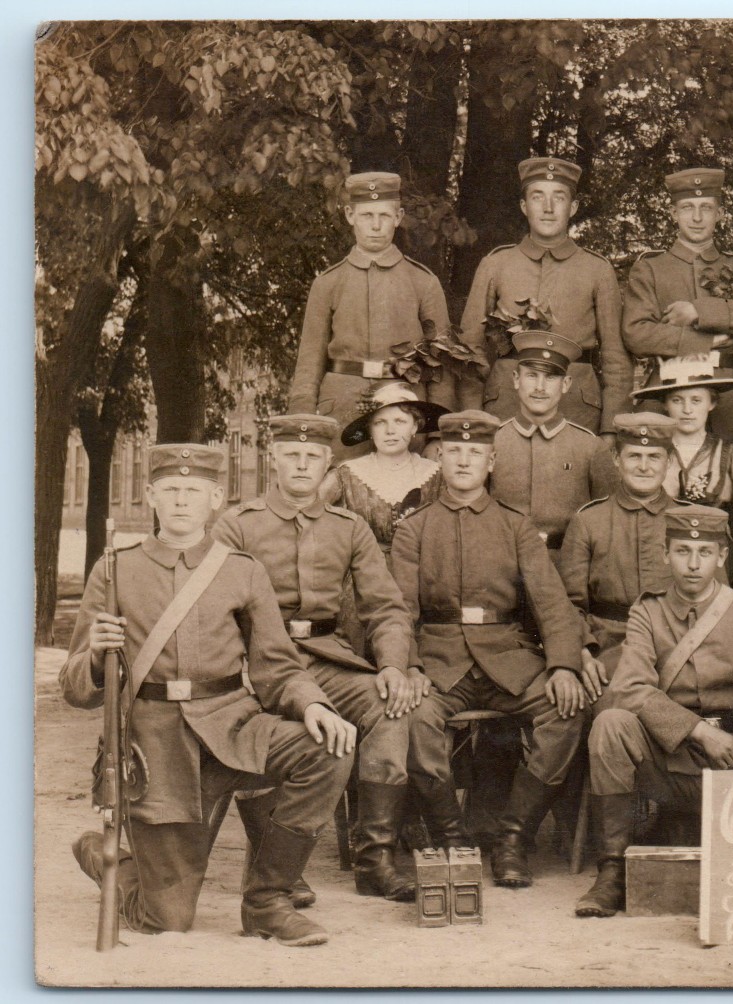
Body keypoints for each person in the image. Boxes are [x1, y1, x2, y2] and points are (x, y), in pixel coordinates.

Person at [62, 444, 355, 946]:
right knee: (168, 919)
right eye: (170, 490)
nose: (181, 501)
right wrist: (94, 654)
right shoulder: (114, 569)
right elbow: (74, 688)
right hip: (156, 749)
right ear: (150, 495)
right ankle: (106, 857)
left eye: (193, 490)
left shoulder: (242, 570)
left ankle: (267, 901)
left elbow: (277, 666)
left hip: (232, 728)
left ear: (215, 497)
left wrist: (312, 705)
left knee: (329, 748)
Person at [214, 415, 427, 903]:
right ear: (274, 459)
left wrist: (393, 664)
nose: (302, 465)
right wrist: (238, 671)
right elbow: (215, 607)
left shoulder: (348, 528)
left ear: (329, 463)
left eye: (313, 457)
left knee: (388, 709)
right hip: (257, 661)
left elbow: (387, 607)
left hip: (328, 657)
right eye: (292, 455)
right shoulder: (238, 525)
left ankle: (374, 858)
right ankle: (279, 862)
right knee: (264, 723)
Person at [391, 411, 600, 890]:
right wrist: (410, 664)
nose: (464, 460)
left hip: (508, 657)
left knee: (564, 711)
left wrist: (564, 665)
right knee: (414, 718)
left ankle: (513, 838)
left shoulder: (516, 526)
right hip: (440, 660)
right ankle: (453, 837)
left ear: (491, 462)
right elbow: (398, 609)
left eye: (475, 453)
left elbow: (552, 602)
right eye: (455, 451)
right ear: (440, 458)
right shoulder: (414, 529)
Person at [577, 505, 733, 917]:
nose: (693, 564)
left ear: (722, 557)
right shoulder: (647, 611)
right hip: (669, 760)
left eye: (705, 553)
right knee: (611, 723)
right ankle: (612, 870)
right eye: (683, 551)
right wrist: (701, 733)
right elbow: (630, 687)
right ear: (666, 554)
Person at [456, 156, 630, 432]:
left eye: (558, 198)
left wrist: (610, 428)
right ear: (524, 206)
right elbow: (470, 348)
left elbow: (615, 358)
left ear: (572, 207)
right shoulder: (497, 263)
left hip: (576, 404)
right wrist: (472, 415)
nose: (548, 208)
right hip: (505, 403)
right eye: (538, 197)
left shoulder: (597, 269)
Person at [289, 172, 453, 456]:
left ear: (399, 217)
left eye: (384, 216)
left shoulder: (423, 282)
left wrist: (438, 433)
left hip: (406, 407)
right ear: (350, 215)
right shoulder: (328, 283)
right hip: (340, 406)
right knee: (340, 489)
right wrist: (303, 425)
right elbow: (309, 363)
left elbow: (441, 368)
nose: (376, 225)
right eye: (367, 216)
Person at [622, 167, 733, 447]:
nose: (696, 217)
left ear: (719, 214)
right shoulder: (650, 268)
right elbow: (636, 333)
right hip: (666, 389)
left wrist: (699, 312)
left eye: (706, 207)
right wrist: (705, 340)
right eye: (687, 208)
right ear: (673, 214)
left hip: (732, 392)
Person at [559, 412, 686, 669]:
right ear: (617, 459)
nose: (643, 466)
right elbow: (570, 605)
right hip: (609, 646)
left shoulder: (686, 519)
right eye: (634, 455)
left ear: (670, 461)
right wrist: (582, 651)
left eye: (654, 457)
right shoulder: (588, 521)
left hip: (678, 643)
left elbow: (714, 600)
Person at [488, 330, 616, 551]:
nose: (540, 386)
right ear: (516, 379)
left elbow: (607, 521)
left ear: (565, 384)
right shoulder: (493, 442)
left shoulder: (590, 447)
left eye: (550, 377)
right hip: (502, 562)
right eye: (531, 375)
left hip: (567, 564)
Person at [631, 357, 733, 553]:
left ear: (711, 403)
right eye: (677, 400)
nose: (687, 410)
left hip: (716, 562)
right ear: (665, 404)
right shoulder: (651, 454)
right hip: (659, 558)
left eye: (696, 400)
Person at [321, 381, 448, 555]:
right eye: (380, 422)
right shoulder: (346, 475)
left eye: (400, 421)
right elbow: (314, 523)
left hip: (422, 574)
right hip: (363, 575)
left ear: (415, 426)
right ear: (370, 431)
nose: (390, 430)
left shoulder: (436, 474)